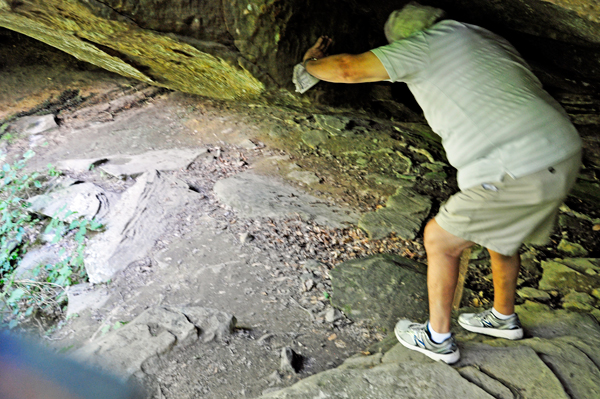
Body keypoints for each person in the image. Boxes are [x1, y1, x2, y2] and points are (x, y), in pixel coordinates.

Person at [301, 2, 582, 364]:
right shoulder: (483, 38)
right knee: (501, 235)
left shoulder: (424, 46)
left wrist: (309, 64)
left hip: (519, 163)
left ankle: (438, 338)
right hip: (560, 149)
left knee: (440, 239)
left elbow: (347, 68)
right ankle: (502, 318)